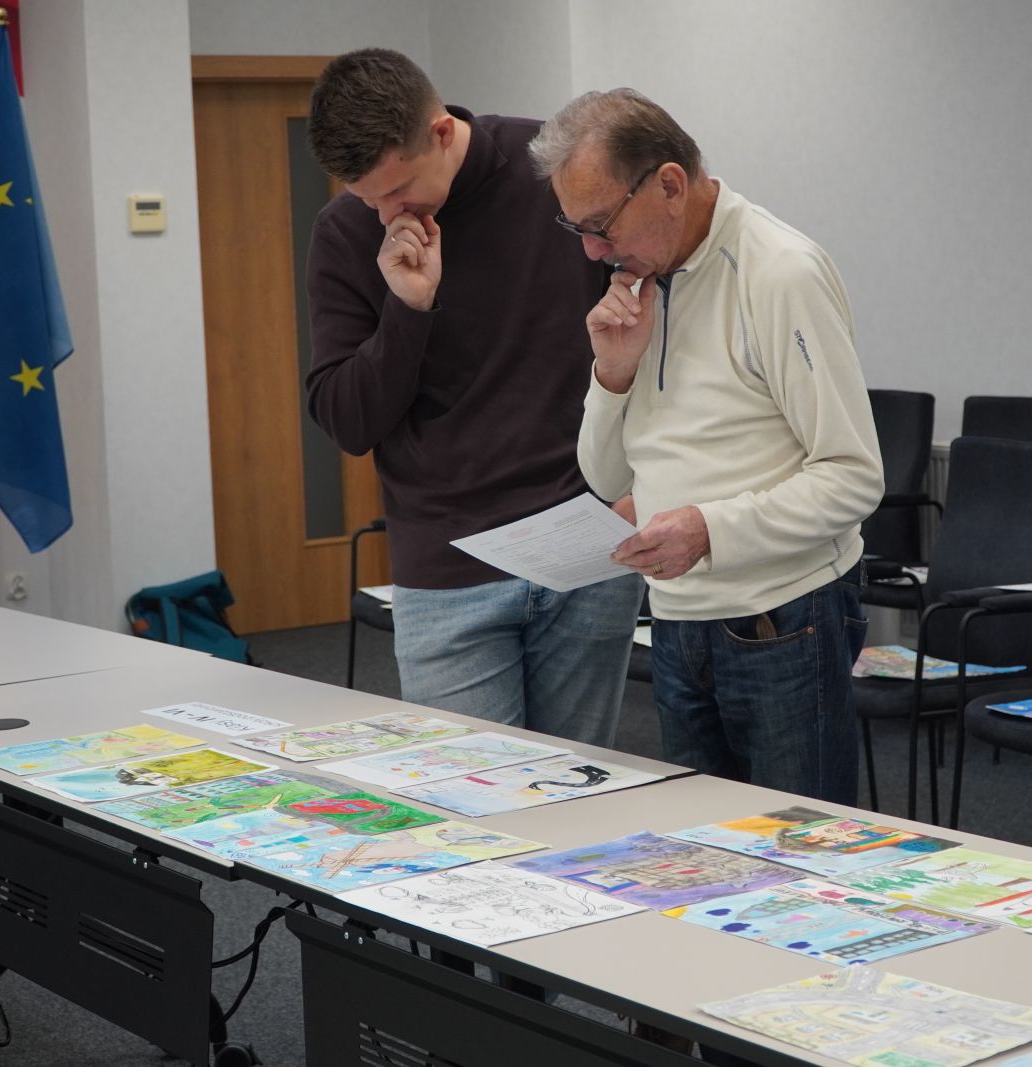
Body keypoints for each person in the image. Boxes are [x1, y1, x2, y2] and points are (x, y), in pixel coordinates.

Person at [529, 89, 884, 806]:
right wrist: (613, 373)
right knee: (703, 848)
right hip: (676, 619)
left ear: (669, 184)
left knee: (798, 847)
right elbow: (606, 478)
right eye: (577, 228)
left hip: (783, 617)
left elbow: (853, 476)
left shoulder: (779, 271)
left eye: (600, 225)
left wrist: (708, 530)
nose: (593, 250)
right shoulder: (642, 283)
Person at [303, 50, 641, 746]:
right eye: (367, 197)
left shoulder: (558, 169)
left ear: (440, 131)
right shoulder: (345, 233)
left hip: (587, 542)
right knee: (470, 800)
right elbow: (348, 422)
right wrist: (407, 310)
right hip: (448, 569)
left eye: (398, 190)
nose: (386, 213)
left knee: (582, 790)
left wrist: (645, 490)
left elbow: (647, 329)